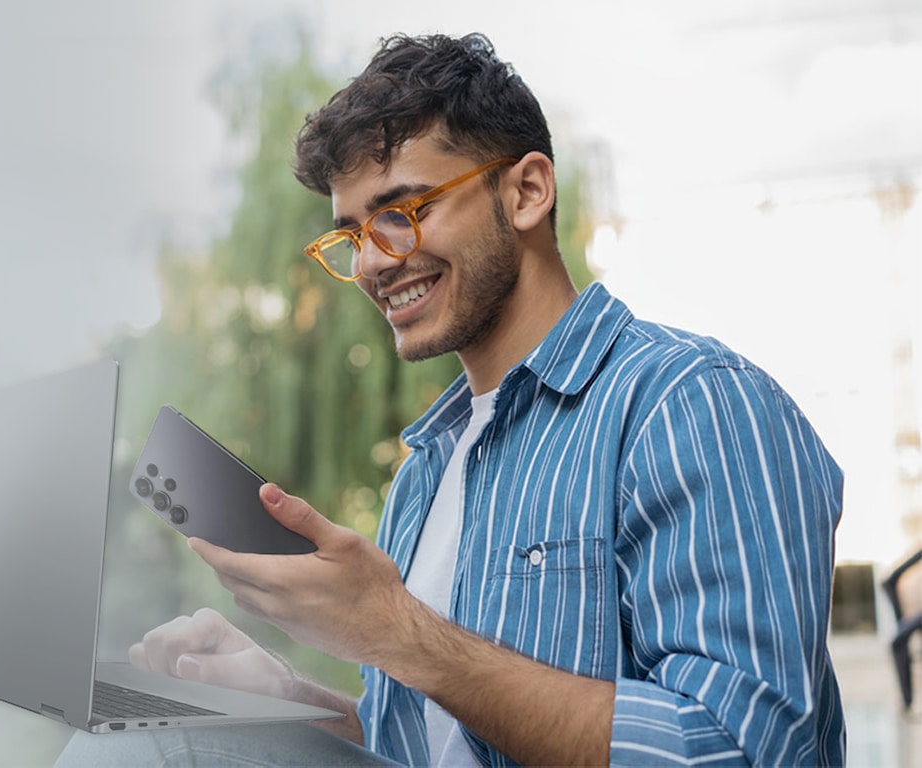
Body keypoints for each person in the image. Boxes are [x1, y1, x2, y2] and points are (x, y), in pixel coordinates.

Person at [57, 32, 844, 767]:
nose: (372, 262)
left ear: (528, 191)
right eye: (353, 234)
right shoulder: (427, 473)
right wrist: (291, 701)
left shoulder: (687, 403)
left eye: (402, 213)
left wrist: (399, 632)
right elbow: (422, 743)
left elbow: (745, 748)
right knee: (151, 714)